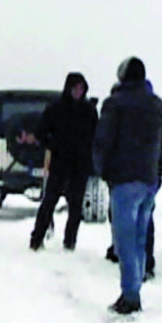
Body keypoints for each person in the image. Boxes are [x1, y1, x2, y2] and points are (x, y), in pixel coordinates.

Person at [93, 57, 162, 315]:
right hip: (149, 180)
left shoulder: (114, 104)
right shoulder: (158, 106)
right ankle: (135, 288)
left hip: (124, 179)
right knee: (140, 236)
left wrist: (102, 170)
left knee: (124, 240)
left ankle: (130, 296)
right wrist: (158, 170)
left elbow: (103, 142)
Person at [28, 72, 99, 251]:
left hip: (81, 165)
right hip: (60, 163)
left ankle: (70, 242)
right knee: (49, 202)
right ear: (68, 88)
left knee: (76, 206)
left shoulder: (89, 110)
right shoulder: (56, 108)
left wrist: (92, 159)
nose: (78, 92)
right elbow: (40, 133)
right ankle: (37, 238)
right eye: (75, 88)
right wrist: (53, 145)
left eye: (81, 88)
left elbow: (96, 136)